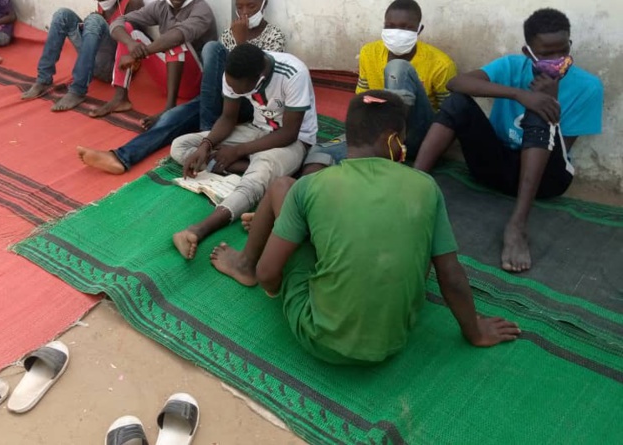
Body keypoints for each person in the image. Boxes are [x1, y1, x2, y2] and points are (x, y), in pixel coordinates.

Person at [208, 91, 521, 365]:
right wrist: (475, 331)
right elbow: (450, 275)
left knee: (281, 188)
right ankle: (282, 231)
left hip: (320, 337)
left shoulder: (313, 185)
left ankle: (244, 263)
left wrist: (278, 287)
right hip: (396, 336)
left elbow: (269, 274)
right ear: (391, 139)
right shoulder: (426, 186)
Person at [414, 8, 603, 273]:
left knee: (540, 112)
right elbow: (456, 83)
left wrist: (550, 99)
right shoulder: (512, 66)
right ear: (529, 52)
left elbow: (560, 149)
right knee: (457, 104)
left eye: (563, 50)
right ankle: (412, 185)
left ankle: (517, 226)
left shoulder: (589, 87)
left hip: (545, 180)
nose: (557, 59)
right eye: (546, 53)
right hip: (494, 166)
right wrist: (519, 95)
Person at [77, 0, 285, 174]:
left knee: (210, 51)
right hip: (222, 98)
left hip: (250, 104)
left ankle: (207, 134)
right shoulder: (229, 33)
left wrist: (241, 43)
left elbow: (263, 81)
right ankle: (121, 157)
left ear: (263, 5)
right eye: (239, 7)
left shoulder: (275, 36)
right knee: (171, 118)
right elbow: (224, 75)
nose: (245, 13)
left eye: (252, 7)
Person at [170, 43, 317, 260]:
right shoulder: (234, 72)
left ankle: (196, 231)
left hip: (292, 141)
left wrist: (237, 150)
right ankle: (249, 167)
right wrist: (206, 145)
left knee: (252, 184)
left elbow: (290, 133)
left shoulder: (294, 73)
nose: (235, 91)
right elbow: (228, 117)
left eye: (241, 90)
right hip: (255, 130)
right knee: (180, 146)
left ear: (260, 76)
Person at [303, 0, 456, 174]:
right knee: (319, 154)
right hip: (377, 135)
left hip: (416, 136)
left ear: (419, 29)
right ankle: (321, 195)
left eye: (406, 28)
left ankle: (389, 159)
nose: (397, 32)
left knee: (398, 69)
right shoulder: (369, 53)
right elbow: (361, 98)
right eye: (390, 26)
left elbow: (448, 119)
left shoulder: (440, 63)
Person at [89, 0, 217, 126]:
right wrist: (131, 45)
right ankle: (120, 98)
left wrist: (139, 54)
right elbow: (118, 22)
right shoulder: (160, 7)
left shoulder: (201, 9)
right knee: (129, 30)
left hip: (196, 81)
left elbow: (177, 36)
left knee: (174, 41)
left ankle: (169, 108)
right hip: (168, 77)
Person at [20, 0, 145, 111]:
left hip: (116, 65)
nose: (100, 1)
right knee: (62, 15)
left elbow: (132, 41)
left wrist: (97, 22)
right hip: (96, 59)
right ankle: (43, 79)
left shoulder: (134, 2)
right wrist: (89, 26)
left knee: (95, 20)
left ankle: (77, 91)